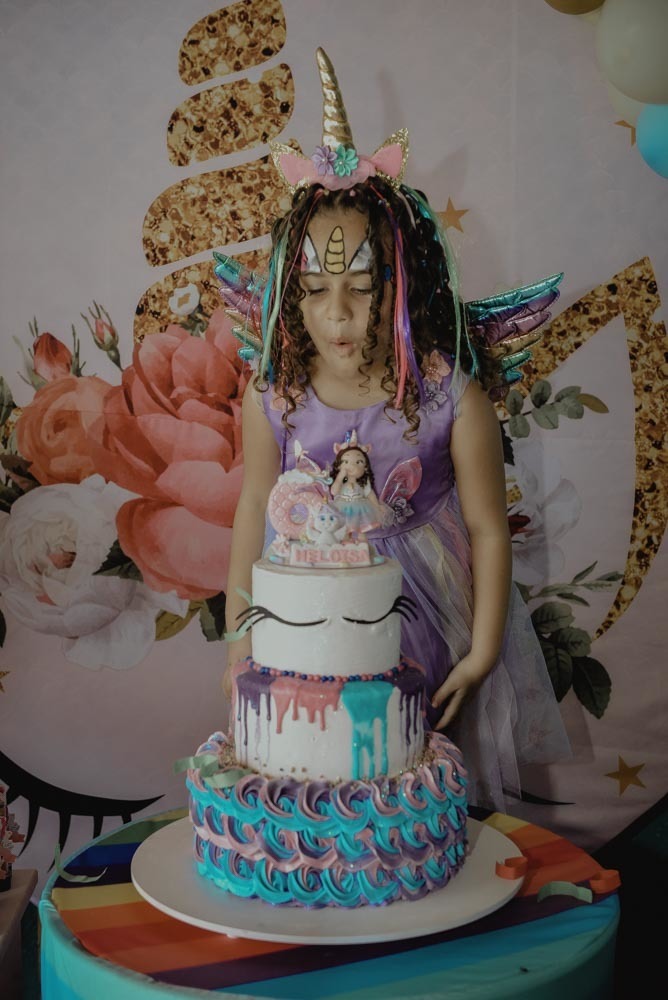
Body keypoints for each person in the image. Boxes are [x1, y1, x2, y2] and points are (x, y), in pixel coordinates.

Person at [221, 49, 569, 810]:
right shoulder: (272, 396)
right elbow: (252, 505)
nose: (338, 314)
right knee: (311, 775)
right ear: (289, 293)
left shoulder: (450, 399)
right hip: (298, 622)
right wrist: (238, 631)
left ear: (403, 281)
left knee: (406, 780)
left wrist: (482, 651)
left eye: (360, 286)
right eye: (315, 289)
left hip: (423, 615)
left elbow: (487, 528)